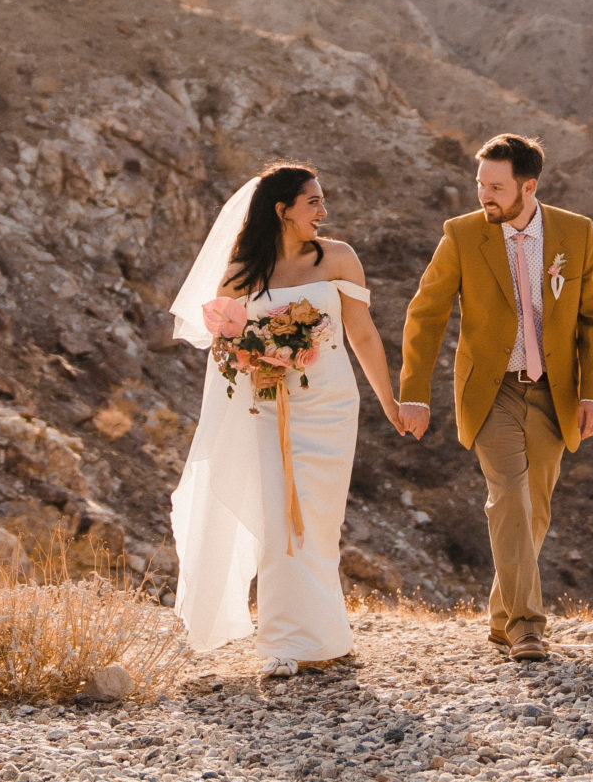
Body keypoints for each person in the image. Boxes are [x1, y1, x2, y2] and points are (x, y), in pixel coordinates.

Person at [167, 163, 412, 676]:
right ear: (282, 210)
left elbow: (363, 335)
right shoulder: (240, 274)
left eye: (322, 201)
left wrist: (390, 401)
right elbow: (224, 350)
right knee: (280, 520)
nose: (324, 212)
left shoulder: (339, 257)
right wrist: (256, 356)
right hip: (267, 408)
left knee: (320, 522)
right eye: (313, 202)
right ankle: (284, 643)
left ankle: (326, 637)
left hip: (331, 406)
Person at [396, 134, 593, 662]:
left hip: (553, 393)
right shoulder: (462, 235)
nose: (484, 196)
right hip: (489, 392)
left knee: (535, 509)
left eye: (496, 187)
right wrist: (415, 394)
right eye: (480, 185)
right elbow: (426, 315)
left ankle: (501, 614)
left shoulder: (574, 233)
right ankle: (526, 627)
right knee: (509, 499)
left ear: (528, 186)